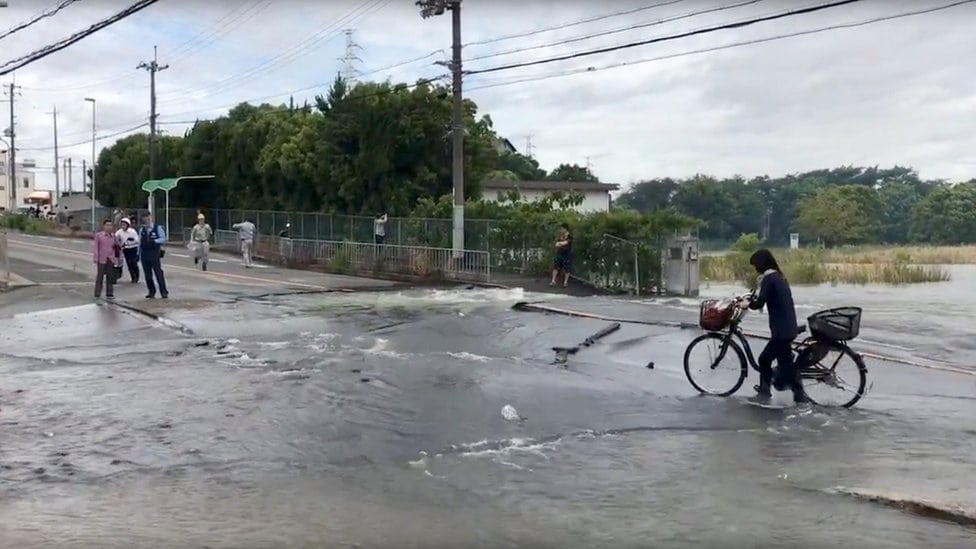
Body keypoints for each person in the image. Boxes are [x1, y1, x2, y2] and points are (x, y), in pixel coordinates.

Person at [738, 249, 807, 404]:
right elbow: (767, 297)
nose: (755, 269)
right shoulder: (779, 276)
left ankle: (765, 391)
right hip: (788, 326)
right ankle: (799, 394)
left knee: (764, 359)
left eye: (756, 265)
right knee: (785, 363)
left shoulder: (769, 279)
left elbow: (760, 303)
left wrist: (747, 304)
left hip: (781, 330)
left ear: (761, 264)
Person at [139, 212, 168, 299]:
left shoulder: (157, 228)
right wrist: (138, 254)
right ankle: (151, 291)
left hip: (154, 253)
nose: (146, 219)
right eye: (144, 218)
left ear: (150, 217)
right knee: (147, 275)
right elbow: (139, 242)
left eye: (147, 217)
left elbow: (163, 239)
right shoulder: (142, 230)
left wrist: (155, 241)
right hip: (144, 254)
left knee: (158, 273)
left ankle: (163, 292)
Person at [92, 219, 120, 299]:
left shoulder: (113, 236)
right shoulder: (99, 235)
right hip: (101, 258)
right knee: (100, 277)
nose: (109, 227)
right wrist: (96, 257)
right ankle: (97, 293)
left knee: (110, 277)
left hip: (111, 258)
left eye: (110, 225)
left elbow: (117, 246)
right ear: (104, 226)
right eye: (107, 225)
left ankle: (109, 293)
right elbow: (96, 247)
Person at [115, 217, 141, 283]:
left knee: (133, 262)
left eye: (124, 224)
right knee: (129, 263)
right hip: (126, 249)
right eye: (122, 224)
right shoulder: (119, 232)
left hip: (133, 248)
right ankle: (133, 277)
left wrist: (131, 240)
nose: (123, 226)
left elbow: (137, 240)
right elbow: (115, 238)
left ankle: (137, 275)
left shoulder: (132, 231)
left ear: (128, 225)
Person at [550, 223, 573, 287]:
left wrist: (560, 243)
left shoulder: (569, 236)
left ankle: (565, 282)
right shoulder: (560, 236)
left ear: (565, 229)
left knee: (567, 268)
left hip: (567, 254)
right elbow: (556, 244)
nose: (561, 230)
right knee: (556, 267)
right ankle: (553, 281)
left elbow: (565, 243)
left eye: (562, 228)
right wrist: (560, 243)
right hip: (559, 253)